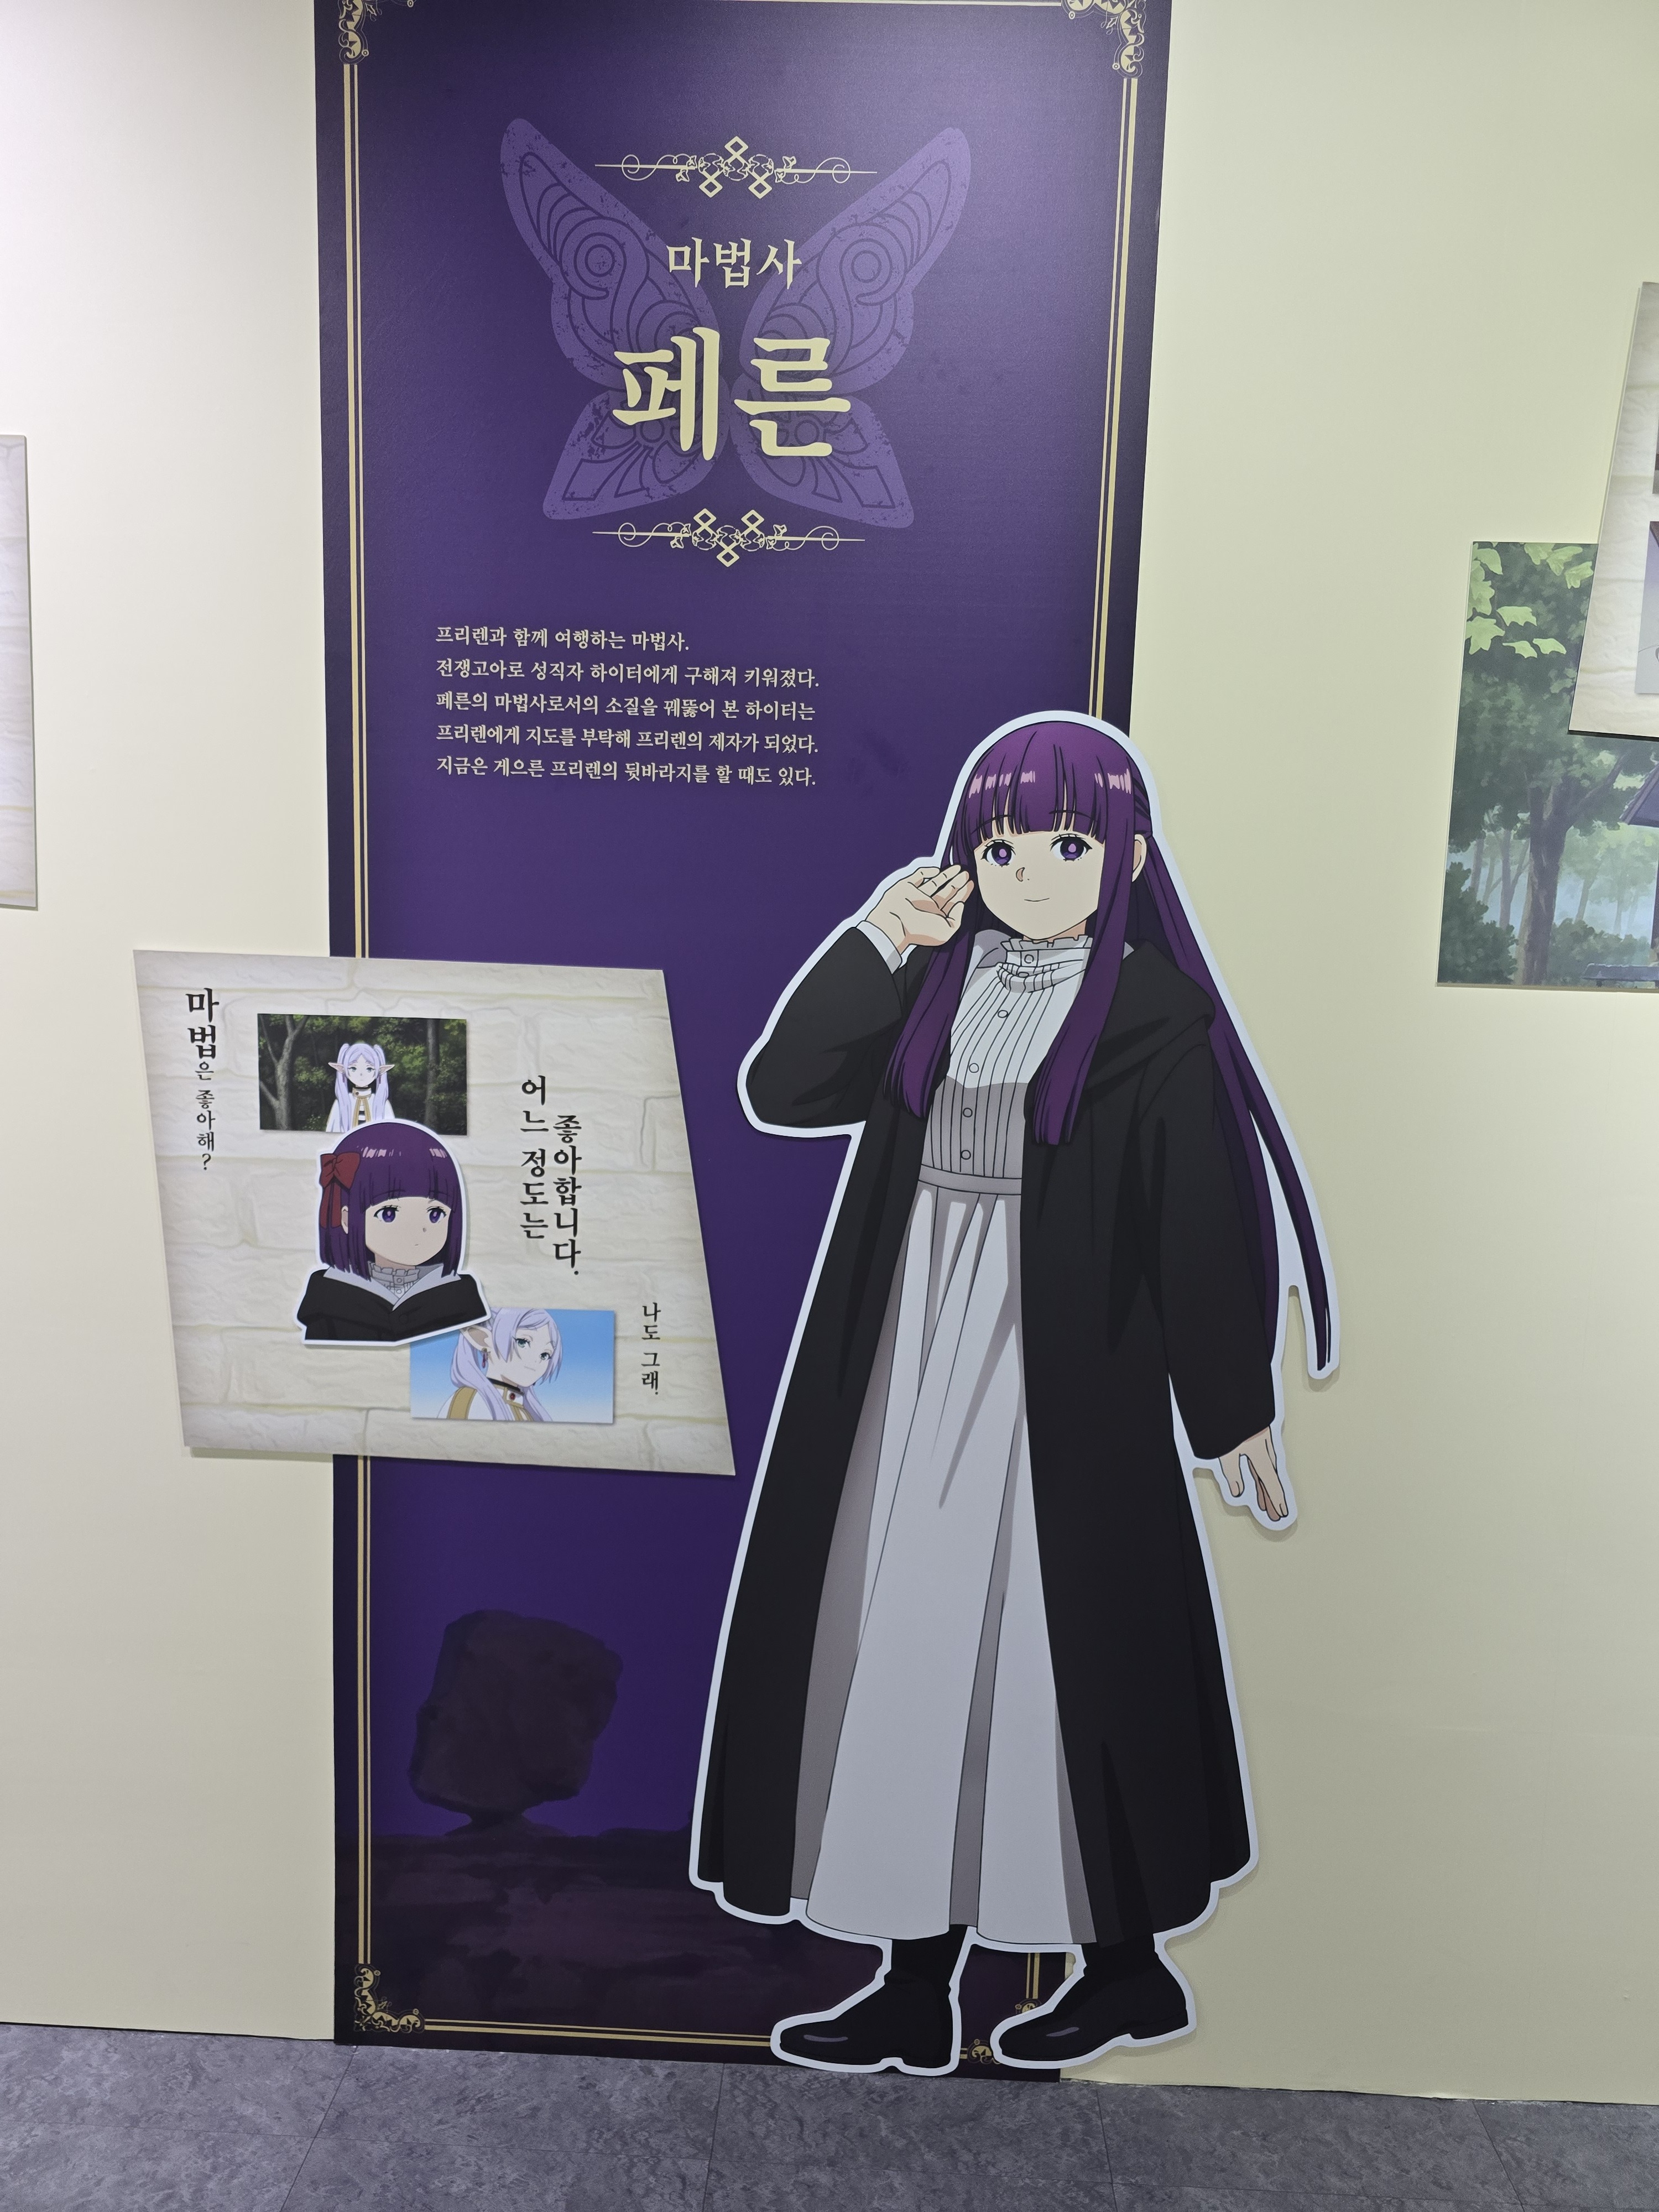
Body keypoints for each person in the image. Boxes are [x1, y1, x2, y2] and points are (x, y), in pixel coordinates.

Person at [693, 713, 1335, 2076]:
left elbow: (1195, 1223)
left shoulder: (1155, 1016)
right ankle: (911, 1980)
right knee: (899, 1638)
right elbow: (781, 1087)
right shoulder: (935, 982)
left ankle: (1125, 1971)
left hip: (1064, 1376)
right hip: (905, 1352)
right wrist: (879, 940)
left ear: (1126, 856)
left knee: (1056, 1650)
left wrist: (1230, 1405)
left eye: (1063, 842)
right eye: (999, 846)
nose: (1028, 871)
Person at [295, 1120, 486, 1345]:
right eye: (389, 1214)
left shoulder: (459, 1300)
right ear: (346, 1219)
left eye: (435, 1214)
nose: (417, 1230)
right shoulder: (329, 1302)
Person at [444, 1307, 564, 1421]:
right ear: (484, 1340)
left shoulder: (529, 1411)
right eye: (523, 1343)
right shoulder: (468, 1400)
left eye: (545, 1355)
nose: (536, 1361)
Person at [326, 1041, 393, 1132]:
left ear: (379, 1071)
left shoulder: (382, 1104)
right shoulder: (341, 1103)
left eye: (369, 1069)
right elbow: (331, 1134)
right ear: (343, 1070)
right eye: (353, 1068)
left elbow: (391, 1134)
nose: (361, 1074)